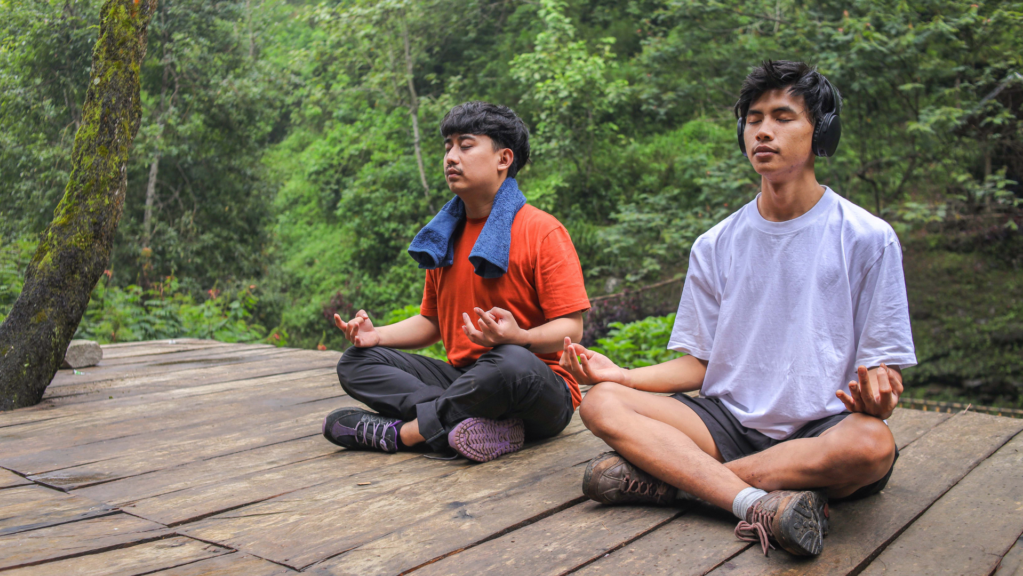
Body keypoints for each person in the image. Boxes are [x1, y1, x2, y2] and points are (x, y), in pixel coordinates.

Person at [560, 60, 917, 557]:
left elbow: (880, 366)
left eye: (783, 116)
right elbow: (700, 365)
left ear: (821, 132)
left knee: (871, 445)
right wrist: (620, 374)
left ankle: (677, 485)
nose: (763, 131)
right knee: (601, 402)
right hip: (726, 422)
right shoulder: (716, 243)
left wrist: (879, 393)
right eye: (753, 119)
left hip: (821, 429)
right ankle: (754, 500)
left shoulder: (867, 238)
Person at [322, 101, 590, 463]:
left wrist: (520, 337)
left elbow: (572, 328)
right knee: (356, 362)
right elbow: (432, 323)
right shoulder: (443, 236)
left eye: (465, 145)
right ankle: (468, 423)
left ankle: (407, 434)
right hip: (467, 380)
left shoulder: (542, 231)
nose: (450, 156)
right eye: (447, 146)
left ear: (503, 158)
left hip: (537, 388)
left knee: (510, 360)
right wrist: (377, 336)